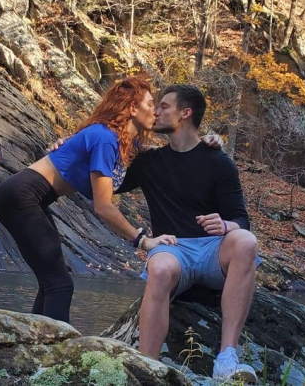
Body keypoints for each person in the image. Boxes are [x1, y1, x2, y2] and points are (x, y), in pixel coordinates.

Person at [50, 84, 259, 383]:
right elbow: (102, 181)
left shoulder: (218, 161)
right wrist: (70, 147)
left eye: (164, 106)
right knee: (158, 267)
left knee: (245, 241)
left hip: (213, 251)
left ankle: (227, 358)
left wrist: (227, 226)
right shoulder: (148, 163)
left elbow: (241, 219)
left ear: (185, 114)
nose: (156, 111)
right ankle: (150, 368)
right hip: (172, 251)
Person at [0, 77, 177, 324]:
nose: (154, 111)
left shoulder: (121, 141)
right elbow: (102, 206)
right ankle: (53, 358)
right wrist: (143, 240)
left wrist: (210, 142)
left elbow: (166, 152)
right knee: (59, 285)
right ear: (133, 108)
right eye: (150, 103)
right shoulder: (106, 139)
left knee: (52, 283)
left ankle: (30, 348)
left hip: (25, 197)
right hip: (21, 196)